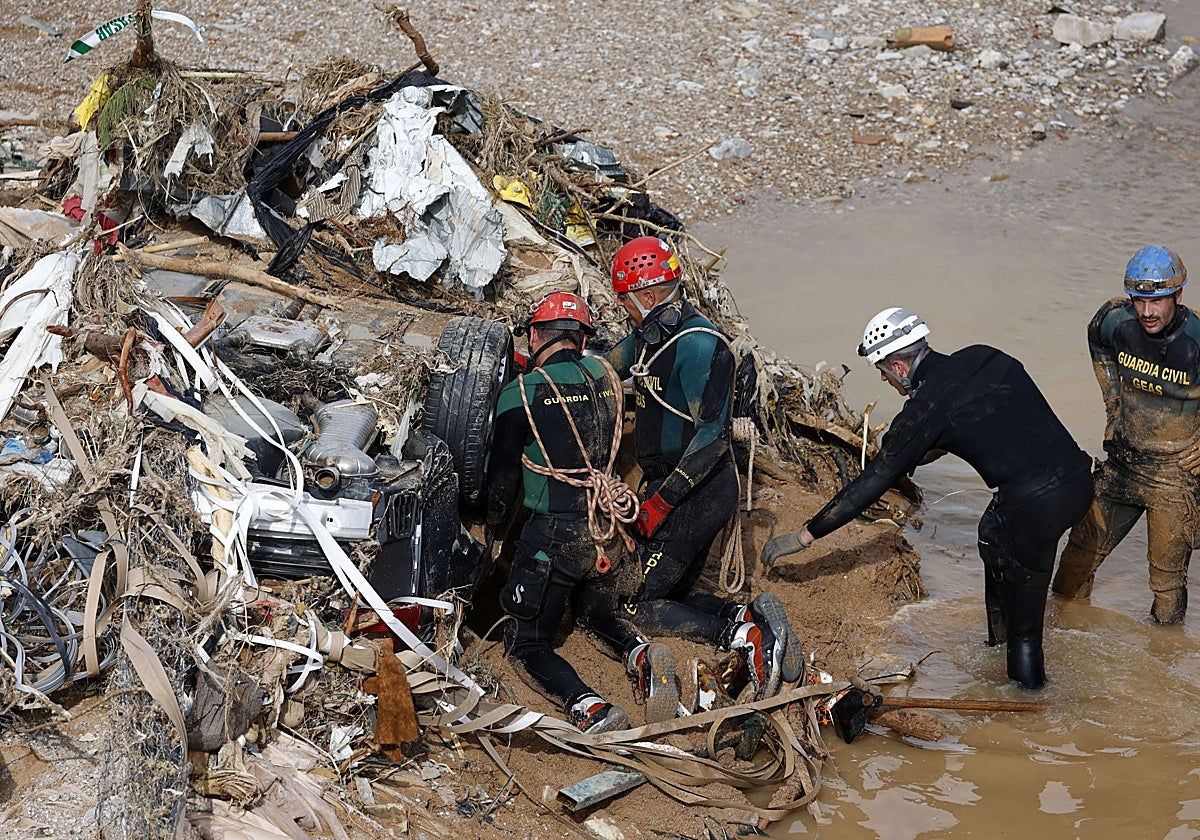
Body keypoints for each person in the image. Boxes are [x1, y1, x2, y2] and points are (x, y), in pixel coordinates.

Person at [760, 307, 1094, 690]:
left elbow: (871, 484)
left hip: (1035, 507)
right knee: (993, 532)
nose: (886, 381)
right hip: (1077, 481)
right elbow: (1001, 423)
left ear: (899, 367)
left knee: (1027, 636)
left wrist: (805, 536)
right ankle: (993, 648)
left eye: (882, 373)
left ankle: (1026, 718)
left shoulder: (926, 410)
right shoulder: (984, 355)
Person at [599, 235, 804, 702]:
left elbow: (712, 439)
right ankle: (750, 617)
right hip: (673, 488)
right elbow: (610, 366)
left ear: (648, 297)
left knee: (633, 603)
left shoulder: (700, 347)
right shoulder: (650, 337)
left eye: (625, 302)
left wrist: (659, 503)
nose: (624, 311)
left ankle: (744, 641)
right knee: (667, 593)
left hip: (697, 491)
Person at [486, 291, 676, 733]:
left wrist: (494, 531)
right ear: (583, 337)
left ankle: (590, 707)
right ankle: (639, 654)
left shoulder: (520, 395)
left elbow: (500, 483)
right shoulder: (607, 376)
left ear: (534, 335)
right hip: (607, 528)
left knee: (525, 643)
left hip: (555, 537)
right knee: (596, 616)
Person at [1052, 245, 1199, 625]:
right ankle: (1066, 633)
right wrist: (1113, 404)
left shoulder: (1196, 339)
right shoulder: (1115, 321)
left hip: (1174, 475)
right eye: (1140, 300)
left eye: (1158, 301)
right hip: (1123, 463)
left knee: (1166, 586)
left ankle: (1163, 663)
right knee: (1074, 563)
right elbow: (1096, 342)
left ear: (1178, 295)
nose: (1147, 312)